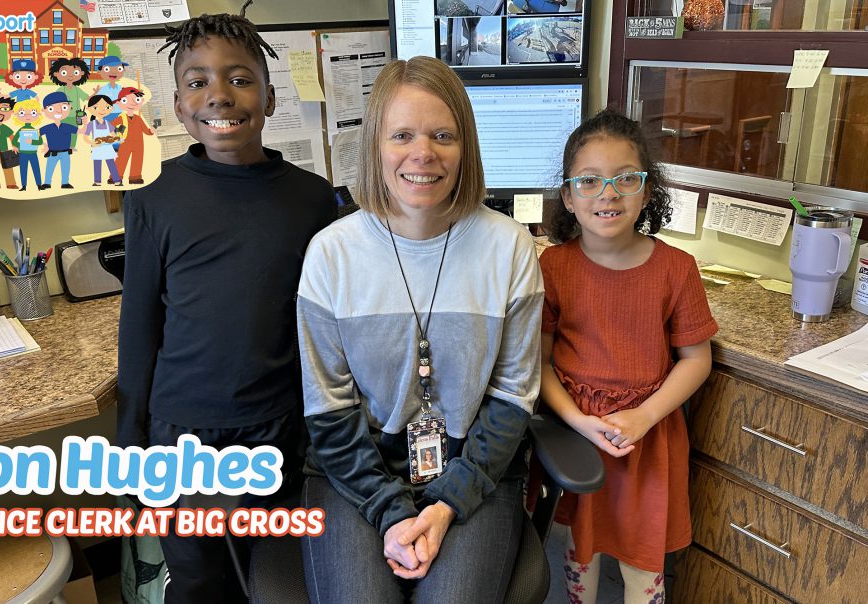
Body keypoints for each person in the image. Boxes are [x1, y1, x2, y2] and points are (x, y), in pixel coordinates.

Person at [297, 56, 543, 603]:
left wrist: (444, 503)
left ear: (466, 147)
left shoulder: (509, 248)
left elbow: (512, 397)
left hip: (474, 472)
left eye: (442, 135)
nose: (422, 153)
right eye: (402, 134)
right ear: (375, 147)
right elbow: (328, 408)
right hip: (354, 473)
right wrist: (389, 512)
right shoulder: (331, 255)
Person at [116, 8, 337, 603]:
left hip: (279, 426)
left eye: (239, 79)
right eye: (197, 82)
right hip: (183, 430)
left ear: (267, 96)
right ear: (180, 104)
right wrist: (128, 441)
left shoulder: (312, 200)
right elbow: (139, 328)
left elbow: (323, 323)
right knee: (198, 578)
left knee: (270, 572)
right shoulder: (154, 201)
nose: (219, 94)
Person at [540, 109, 718, 604]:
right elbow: (541, 364)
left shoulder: (677, 270)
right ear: (569, 198)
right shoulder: (552, 267)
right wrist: (577, 420)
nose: (608, 194)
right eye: (590, 181)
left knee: (644, 562)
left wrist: (643, 416)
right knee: (581, 552)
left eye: (625, 179)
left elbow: (695, 360)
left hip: (648, 439)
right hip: (579, 437)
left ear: (647, 190)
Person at [111, 87, 154, 184]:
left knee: (137, 160)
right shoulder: (121, 117)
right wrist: (116, 134)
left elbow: (146, 131)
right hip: (125, 142)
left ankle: (135, 177)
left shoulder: (138, 118)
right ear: (119, 103)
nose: (132, 103)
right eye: (126, 100)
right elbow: (110, 126)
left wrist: (152, 130)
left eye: (136, 100)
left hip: (138, 144)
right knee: (121, 160)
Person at [80, 95, 123, 186]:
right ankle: (97, 181)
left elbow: (114, 135)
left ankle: (117, 181)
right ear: (90, 109)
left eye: (107, 107)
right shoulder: (91, 124)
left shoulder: (108, 123)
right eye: (96, 107)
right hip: (97, 148)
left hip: (107, 147)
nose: (102, 110)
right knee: (97, 165)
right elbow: (85, 137)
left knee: (111, 164)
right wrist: (92, 143)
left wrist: (117, 139)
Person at [39, 91, 78, 190]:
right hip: (52, 152)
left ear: (69, 107)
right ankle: (47, 182)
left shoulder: (67, 126)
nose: (59, 111)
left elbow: (80, 131)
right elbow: (36, 134)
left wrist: (85, 122)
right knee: (49, 168)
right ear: (44, 110)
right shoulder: (47, 127)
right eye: (52, 108)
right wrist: (44, 145)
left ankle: (65, 183)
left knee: (65, 168)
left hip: (65, 152)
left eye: (63, 107)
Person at [48, 57, 90, 147]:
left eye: (75, 72)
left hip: (76, 116)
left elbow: (87, 98)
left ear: (82, 73)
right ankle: (63, 144)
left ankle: (72, 146)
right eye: (64, 72)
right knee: (63, 130)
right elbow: (55, 102)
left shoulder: (77, 90)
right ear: (56, 74)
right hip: (63, 115)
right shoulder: (60, 89)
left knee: (74, 131)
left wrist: (96, 94)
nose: (70, 76)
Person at [10, 98, 44, 191]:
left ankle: (39, 185)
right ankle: (24, 186)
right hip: (23, 153)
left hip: (33, 153)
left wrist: (32, 142)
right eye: (23, 113)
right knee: (23, 169)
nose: (28, 115)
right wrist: (21, 145)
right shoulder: (21, 129)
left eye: (32, 112)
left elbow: (40, 141)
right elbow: (14, 140)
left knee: (36, 169)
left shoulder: (35, 130)